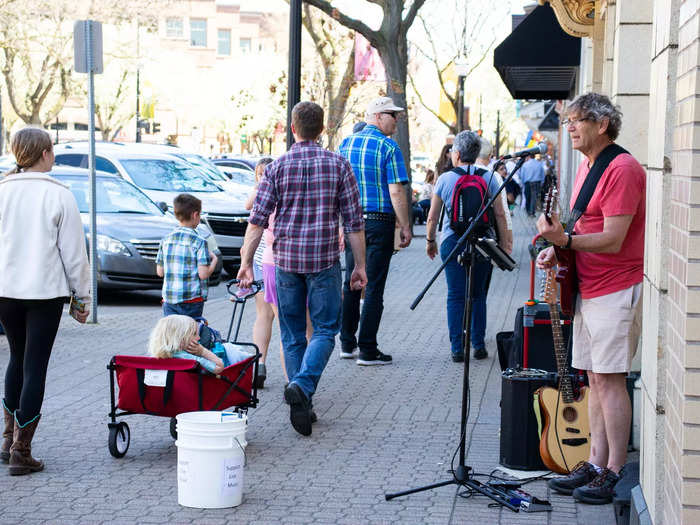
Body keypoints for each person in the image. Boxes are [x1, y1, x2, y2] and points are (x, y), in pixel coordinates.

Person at [536, 92, 645, 504]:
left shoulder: (623, 168)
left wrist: (565, 239)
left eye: (578, 120)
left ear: (603, 124)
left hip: (616, 285)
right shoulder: (587, 167)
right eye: (567, 122)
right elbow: (581, 228)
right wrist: (557, 248)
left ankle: (615, 468)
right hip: (588, 286)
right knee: (594, 379)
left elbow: (615, 239)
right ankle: (596, 462)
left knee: (611, 380)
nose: (571, 128)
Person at [238, 101, 367, 436]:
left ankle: (301, 394)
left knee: (292, 334)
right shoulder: (339, 165)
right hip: (324, 262)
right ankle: (304, 389)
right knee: (325, 331)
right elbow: (354, 223)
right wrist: (360, 266)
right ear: (321, 129)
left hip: (286, 263)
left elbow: (257, 221)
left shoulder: (276, 168)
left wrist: (246, 262)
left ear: (293, 128)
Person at [0, 127, 90, 476]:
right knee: (35, 365)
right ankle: (23, 450)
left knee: (17, 359)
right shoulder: (60, 195)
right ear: (45, 154)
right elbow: (74, 253)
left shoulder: (3, 190)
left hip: (5, 293)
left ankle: (9, 441)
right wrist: (82, 297)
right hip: (44, 294)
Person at [338, 96, 412, 365]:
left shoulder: (345, 144)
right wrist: (405, 225)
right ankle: (368, 349)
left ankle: (347, 343)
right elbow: (396, 190)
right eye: (393, 115)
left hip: (351, 223)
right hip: (379, 222)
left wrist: (338, 224)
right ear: (379, 115)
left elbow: (338, 189)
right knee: (374, 286)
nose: (397, 120)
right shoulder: (388, 147)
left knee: (352, 282)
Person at [425, 131, 510, 362]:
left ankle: (456, 347)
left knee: (455, 295)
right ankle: (478, 344)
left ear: (458, 154)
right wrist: (503, 244)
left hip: (453, 240)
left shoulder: (445, 179)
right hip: (482, 241)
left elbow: (433, 217)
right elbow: (500, 215)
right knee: (478, 294)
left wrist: (430, 241)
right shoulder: (490, 177)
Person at [156, 194, 218, 318]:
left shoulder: (166, 240)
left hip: (169, 299)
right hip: (191, 300)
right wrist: (214, 261)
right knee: (190, 334)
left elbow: (160, 272)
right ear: (195, 215)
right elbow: (203, 274)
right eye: (199, 215)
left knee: (172, 334)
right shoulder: (199, 241)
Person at [245, 157, 275, 388]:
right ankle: (293, 376)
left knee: (263, 315)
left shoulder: (260, 193)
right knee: (282, 319)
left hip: (257, 257)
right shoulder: (277, 192)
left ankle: (260, 365)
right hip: (273, 260)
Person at [148, 315, 251, 374]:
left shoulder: (156, 359)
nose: (199, 338)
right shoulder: (192, 360)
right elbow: (219, 367)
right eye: (194, 334)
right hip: (194, 397)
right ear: (180, 338)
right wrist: (203, 352)